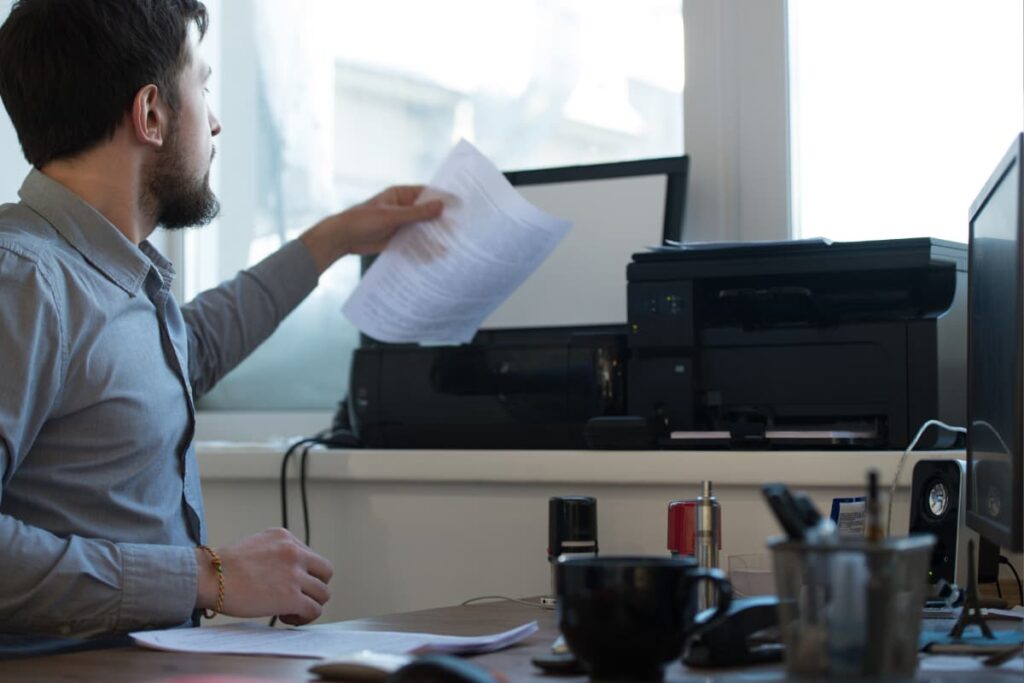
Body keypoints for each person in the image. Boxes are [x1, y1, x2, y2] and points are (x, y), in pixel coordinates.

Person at [0, 0, 443, 638]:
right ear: (151, 114)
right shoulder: (25, 279)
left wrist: (335, 238)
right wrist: (208, 577)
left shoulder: (108, 283)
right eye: (202, 86)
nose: (215, 122)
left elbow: (189, 346)